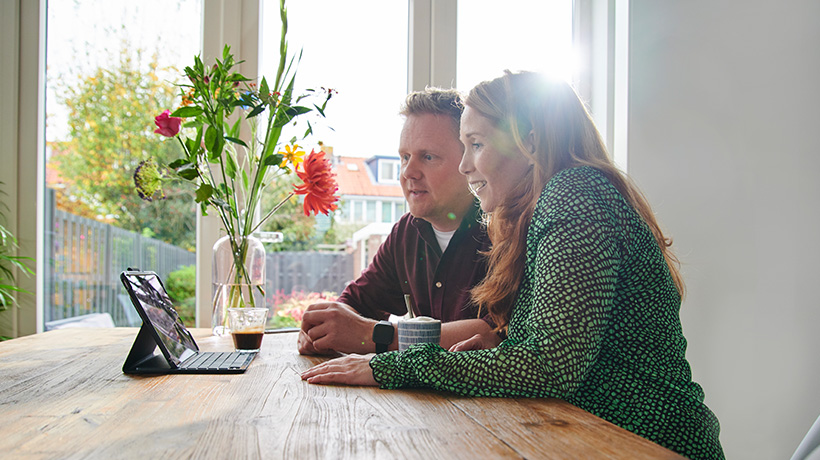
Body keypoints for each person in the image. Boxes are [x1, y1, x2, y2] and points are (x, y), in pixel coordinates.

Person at [300, 72, 724, 460]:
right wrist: (501, 352)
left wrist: (392, 365)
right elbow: (549, 351)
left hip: (646, 443)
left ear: (530, 142)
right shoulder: (544, 209)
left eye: (477, 145)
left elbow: (549, 366)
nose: (466, 165)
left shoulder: (577, 198)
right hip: (590, 438)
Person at [297, 88, 493, 356]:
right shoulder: (408, 232)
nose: (408, 173)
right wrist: (324, 328)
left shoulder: (502, 230)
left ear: (468, 160)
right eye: (404, 157)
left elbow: (495, 334)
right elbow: (356, 304)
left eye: (428, 157)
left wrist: (374, 336)